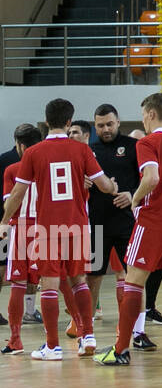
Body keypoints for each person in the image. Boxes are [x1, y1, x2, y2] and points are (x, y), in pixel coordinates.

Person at [0, 99, 119, 361]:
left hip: (47, 229)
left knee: (50, 286)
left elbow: (18, 194)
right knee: (79, 282)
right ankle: (87, 335)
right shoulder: (81, 151)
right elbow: (101, 185)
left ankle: (52, 346)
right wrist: (111, 185)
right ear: (68, 122)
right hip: (77, 226)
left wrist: (5, 220)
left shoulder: (33, 153)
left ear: (46, 122)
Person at [95, 93, 162, 367]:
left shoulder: (148, 142)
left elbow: (151, 177)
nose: (143, 118)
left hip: (153, 220)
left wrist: (136, 198)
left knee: (133, 282)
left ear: (151, 114)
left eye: (144, 114)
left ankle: (120, 350)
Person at [87, 105, 155, 349]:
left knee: (135, 278)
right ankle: (87, 332)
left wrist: (132, 195)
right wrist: (82, 182)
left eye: (109, 124)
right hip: (97, 225)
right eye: (100, 125)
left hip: (128, 224)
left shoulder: (135, 147)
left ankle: (138, 332)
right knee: (92, 278)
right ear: (95, 126)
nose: (105, 129)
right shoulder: (88, 151)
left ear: (118, 122)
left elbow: (148, 180)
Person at [3, 124, 44, 354]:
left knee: (17, 285)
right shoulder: (49, 166)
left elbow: (10, 202)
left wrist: (3, 221)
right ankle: (80, 333)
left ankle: (15, 340)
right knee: (58, 283)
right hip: (48, 229)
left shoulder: (12, 169)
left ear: (19, 145)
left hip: (20, 229)